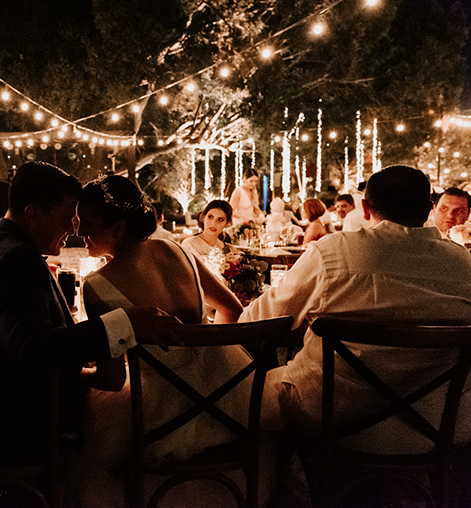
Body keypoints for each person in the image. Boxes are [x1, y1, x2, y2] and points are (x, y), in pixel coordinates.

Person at [0, 161, 180, 462]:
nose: (73, 229)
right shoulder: (17, 258)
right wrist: (124, 323)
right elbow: (31, 349)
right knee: (125, 437)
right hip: (8, 430)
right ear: (32, 215)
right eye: (67, 218)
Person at [240, 165, 471, 450]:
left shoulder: (331, 252)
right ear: (428, 209)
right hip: (434, 425)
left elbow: (255, 322)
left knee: (251, 392)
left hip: (331, 416)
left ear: (363, 208)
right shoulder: (464, 264)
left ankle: (289, 487)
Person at [72, 176, 248, 506]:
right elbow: (231, 309)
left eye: (87, 224)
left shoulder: (96, 286)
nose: (80, 232)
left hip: (156, 420)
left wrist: (76, 373)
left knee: (85, 453)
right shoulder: (179, 251)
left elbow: (112, 380)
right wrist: (212, 364)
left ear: (119, 227)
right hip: (221, 403)